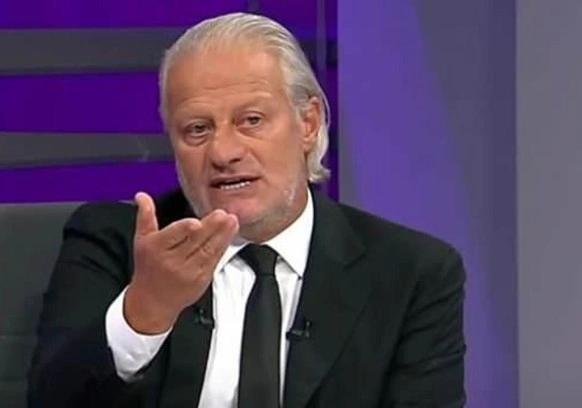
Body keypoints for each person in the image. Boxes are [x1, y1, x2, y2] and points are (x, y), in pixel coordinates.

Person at [27, 12, 466, 408]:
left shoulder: (411, 273)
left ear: (308, 123)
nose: (223, 152)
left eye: (251, 120)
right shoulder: (114, 244)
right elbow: (52, 400)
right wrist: (146, 311)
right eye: (197, 129)